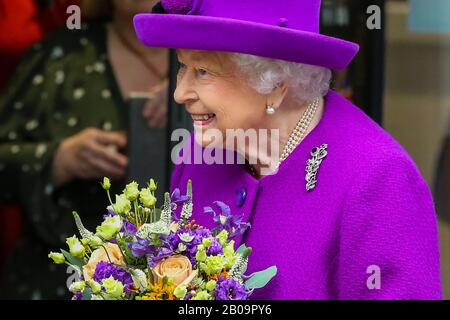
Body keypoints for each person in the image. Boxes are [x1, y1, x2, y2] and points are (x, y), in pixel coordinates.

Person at [134, 0, 442, 299]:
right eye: (182, 66)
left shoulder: (378, 179)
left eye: (203, 71)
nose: (179, 93)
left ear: (276, 83)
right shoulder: (202, 153)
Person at [0, 0, 168, 299]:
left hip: (184, 280)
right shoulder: (60, 55)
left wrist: (199, 98)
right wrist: (58, 159)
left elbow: (261, 155)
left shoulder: (214, 61)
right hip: (60, 282)